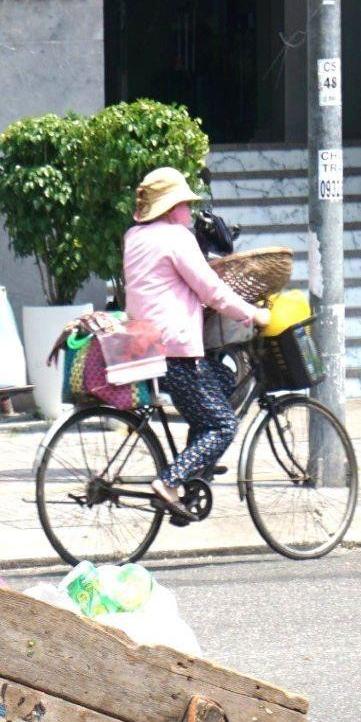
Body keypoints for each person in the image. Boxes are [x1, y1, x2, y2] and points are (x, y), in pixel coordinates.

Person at [122, 166, 271, 516]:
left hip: (144, 345)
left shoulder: (135, 237)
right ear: (172, 208)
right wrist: (252, 313)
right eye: (185, 204)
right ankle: (171, 481)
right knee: (223, 425)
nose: (189, 211)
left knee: (219, 380)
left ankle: (189, 487)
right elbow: (212, 291)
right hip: (175, 350)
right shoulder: (176, 238)